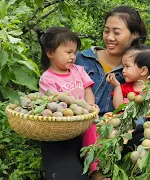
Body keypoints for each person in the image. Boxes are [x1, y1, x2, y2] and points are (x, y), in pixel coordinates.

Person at [75, 5, 149, 178]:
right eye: (106, 31)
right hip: (76, 131)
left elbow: (143, 106)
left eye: (117, 32)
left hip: (114, 136)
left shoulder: (138, 68)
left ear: (135, 34)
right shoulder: (80, 59)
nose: (109, 37)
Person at [36, 27, 101, 180]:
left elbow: (87, 91)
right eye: (68, 52)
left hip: (83, 119)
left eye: (74, 52)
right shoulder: (47, 79)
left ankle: (96, 169)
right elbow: (53, 104)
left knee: (93, 131)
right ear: (50, 53)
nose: (73, 57)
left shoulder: (78, 70)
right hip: (64, 124)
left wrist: (91, 107)